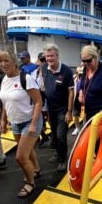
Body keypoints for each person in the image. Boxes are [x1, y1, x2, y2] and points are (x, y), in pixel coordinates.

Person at [0, 49, 43, 196]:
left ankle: (30, 182)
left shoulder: (26, 78)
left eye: (6, 60)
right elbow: (6, 101)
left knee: (21, 157)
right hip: (15, 122)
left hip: (30, 120)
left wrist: (34, 124)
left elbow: (38, 102)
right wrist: (3, 119)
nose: (3, 64)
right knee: (28, 152)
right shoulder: (2, 80)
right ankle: (35, 170)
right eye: (0, 61)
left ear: (14, 62)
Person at [41, 43, 74, 172]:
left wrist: (69, 111)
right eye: (47, 56)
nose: (49, 58)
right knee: (54, 134)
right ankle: (57, 153)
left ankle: (63, 160)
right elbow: (44, 84)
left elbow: (71, 92)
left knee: (61, 135)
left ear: (57, 55)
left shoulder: (66, 71)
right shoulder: (44, 68)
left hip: (62, 109)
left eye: (52, 56)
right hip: (50, 108)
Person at [71, 65, 84, 136]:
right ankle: (78, 128)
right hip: (76, 97)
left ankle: (85, 129)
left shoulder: (88, 77)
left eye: (82, 71)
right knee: (75, 115)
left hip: (86, 97)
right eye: (79, 71)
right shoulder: (74, 78)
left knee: (85, 114)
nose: (81, 73)